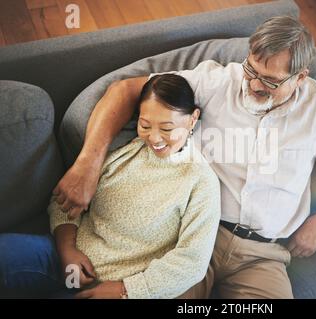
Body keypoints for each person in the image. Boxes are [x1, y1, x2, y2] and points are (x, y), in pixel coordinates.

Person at [52, 16, 316, 298]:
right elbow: (124, 91)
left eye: (271, 82)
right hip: (191, 237)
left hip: (263, 255)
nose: (254, 85)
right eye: (251, 71)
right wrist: (87, 165)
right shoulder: (217, 81)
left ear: (300, 77)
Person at [0, 74, 221, 299]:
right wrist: (67, 249)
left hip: (113, 288)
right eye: (145, 125)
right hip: (65, 260)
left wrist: (124, 291)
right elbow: (67, 198)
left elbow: (192, 261)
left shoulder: (201, 182)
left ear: (193, 119)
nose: (154, 138)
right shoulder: (126, 152)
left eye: (166, 128)